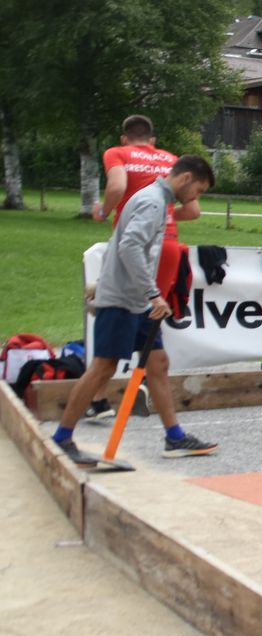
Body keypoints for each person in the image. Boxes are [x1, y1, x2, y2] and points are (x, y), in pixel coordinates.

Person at [51, 155, 219, 465]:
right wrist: (153, 294)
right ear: (185, 179)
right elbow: (129, 246)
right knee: (103, 367)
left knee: (158, 363)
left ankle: (175, 437)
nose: (196, 197)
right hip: (123, 299)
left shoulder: (156, 200)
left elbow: (124, 242)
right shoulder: (152, 202)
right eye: (199, 190)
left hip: (137, 301)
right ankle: (62, 439)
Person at [91, 114, 202, 422]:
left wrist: (103, 211)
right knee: (150, 322)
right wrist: (164, 216)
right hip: (168, 247)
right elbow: (193, 210)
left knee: (120, 316)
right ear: (152, 140)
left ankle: (98, 401)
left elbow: (117, 187)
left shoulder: (118, 152)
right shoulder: (172, 160)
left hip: (135, 246)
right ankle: (142, 384)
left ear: (124, 138)